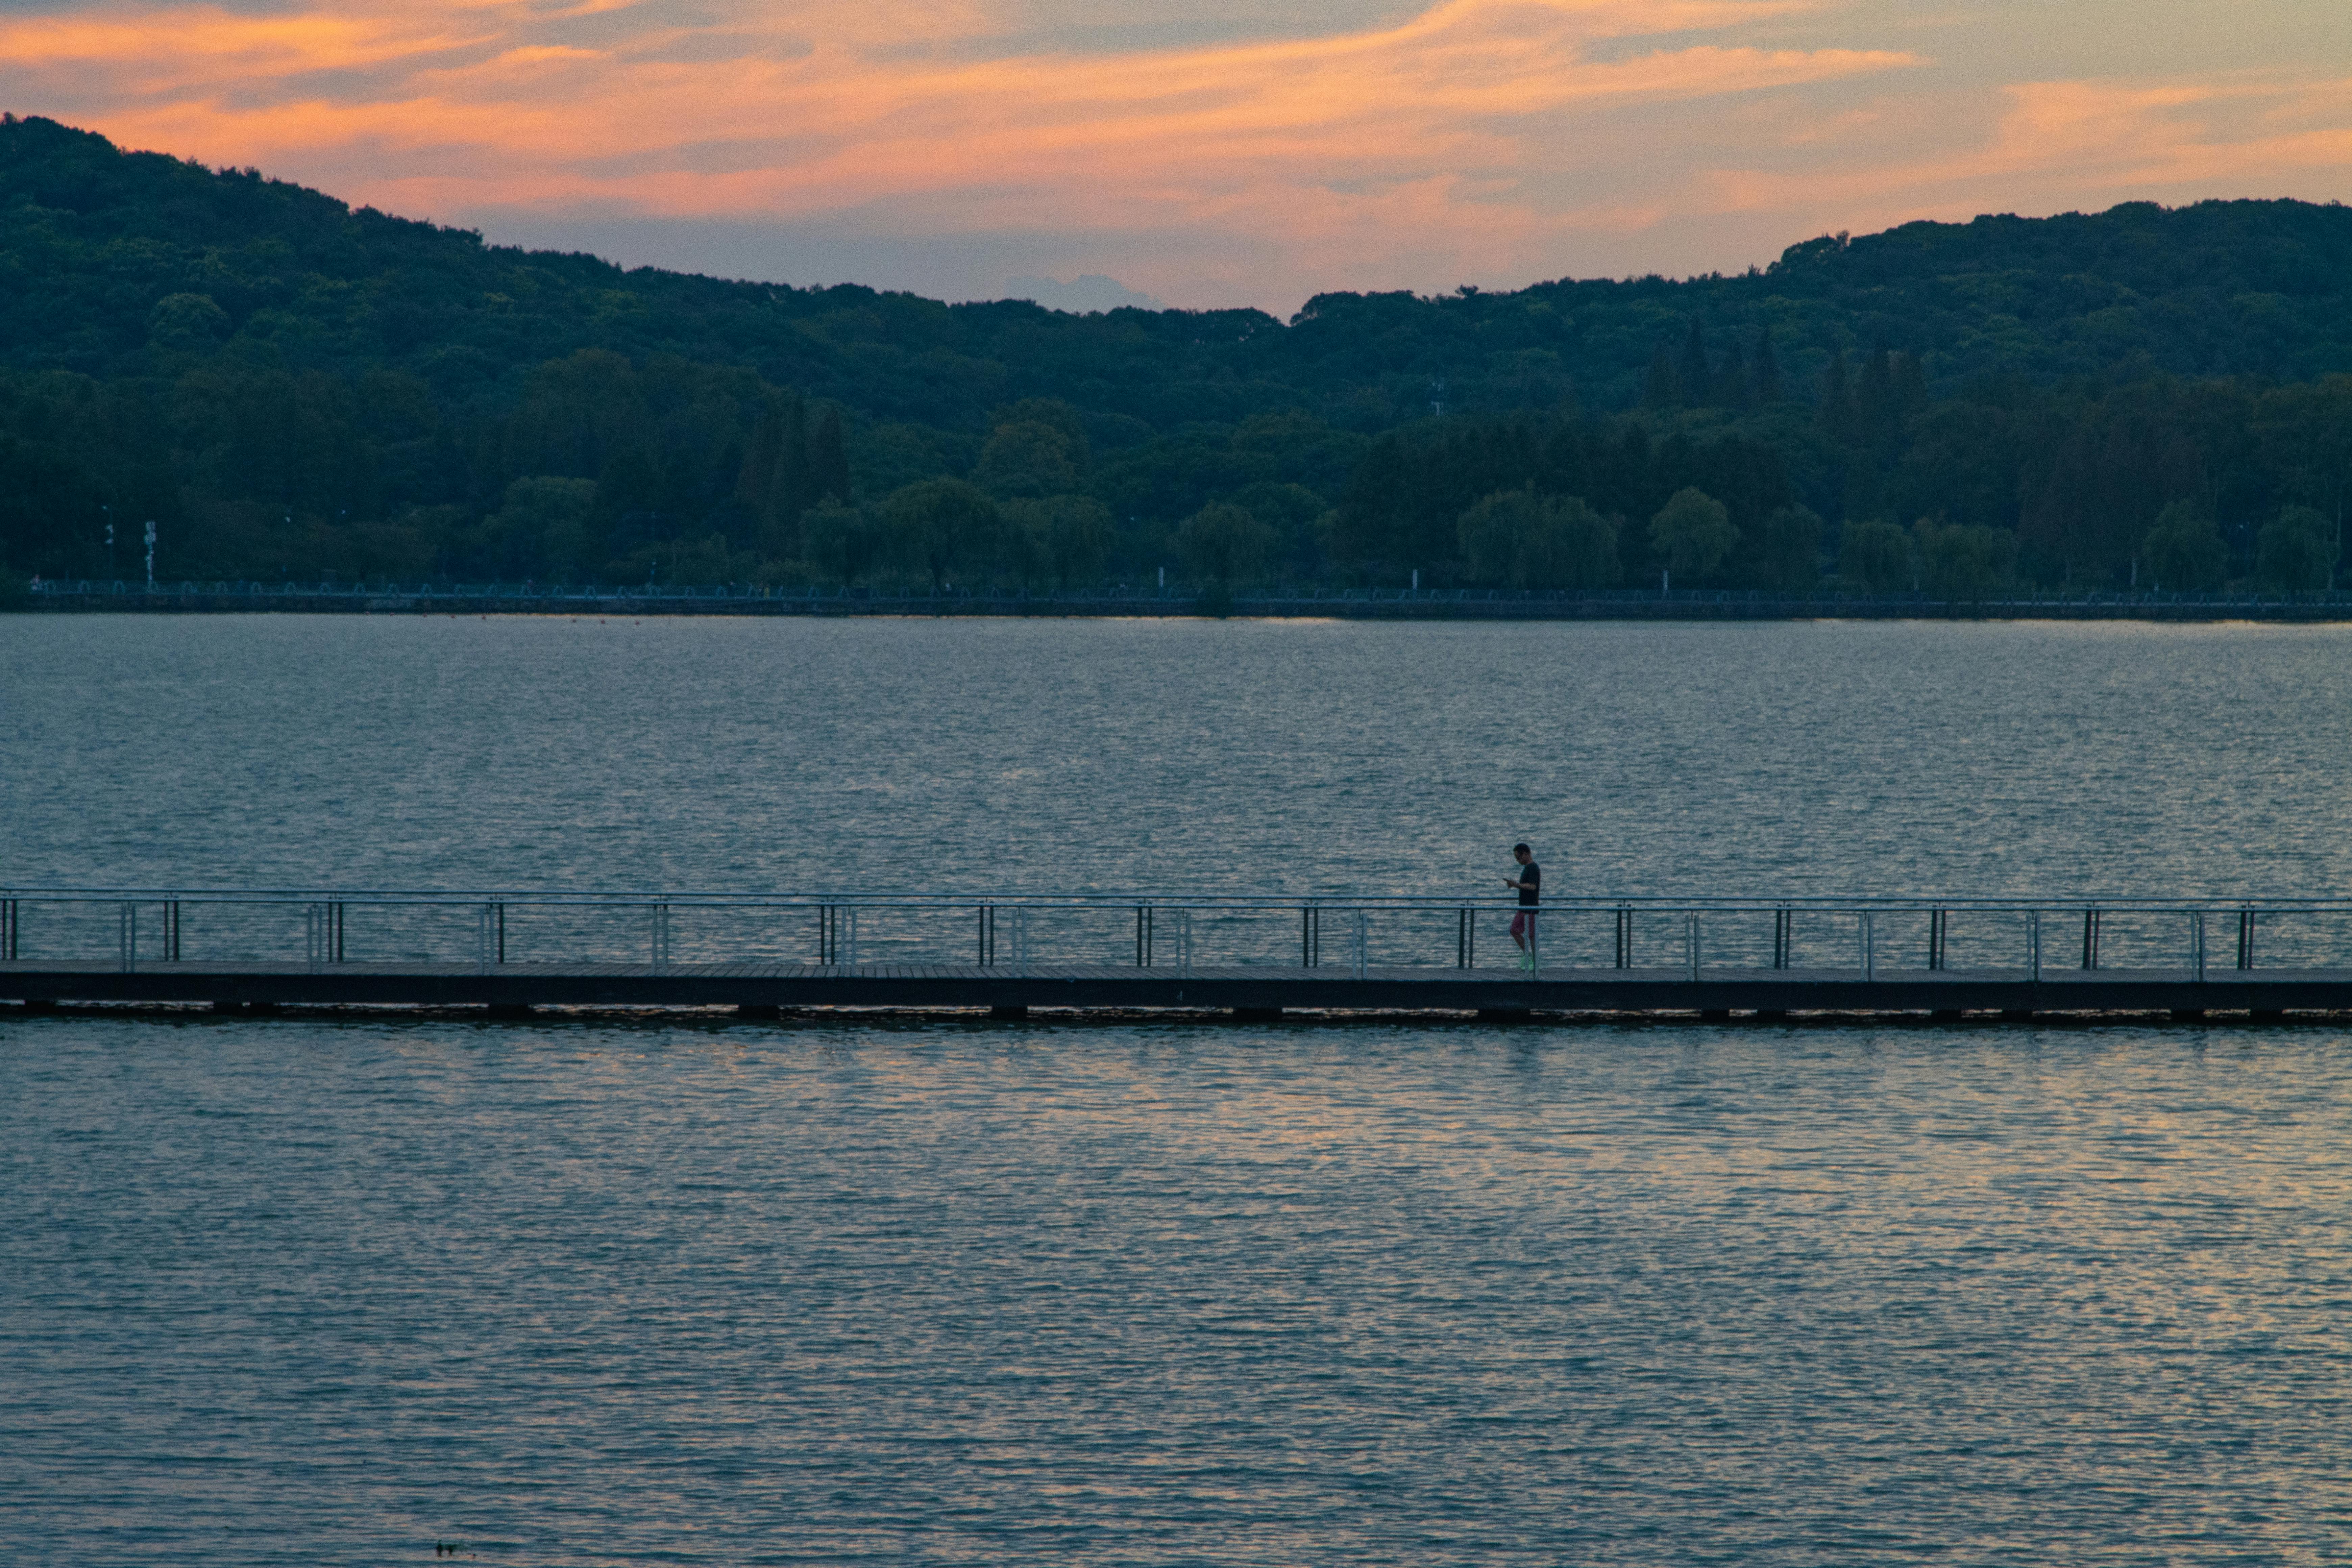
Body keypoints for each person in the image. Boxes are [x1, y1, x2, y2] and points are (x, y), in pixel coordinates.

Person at [1504, 842, 1541, 969]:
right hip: (1524, 907)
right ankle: (1529, 957)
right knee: (1515, 930)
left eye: (1518, 857)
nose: (1517, 861)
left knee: (1531, 935)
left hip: (1531, 908)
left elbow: (1533, 886)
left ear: (1525, 854)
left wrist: (1517, 885)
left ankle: (1534, 962)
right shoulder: (1527, 868)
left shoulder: (1533, 868)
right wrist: (1515, 885)